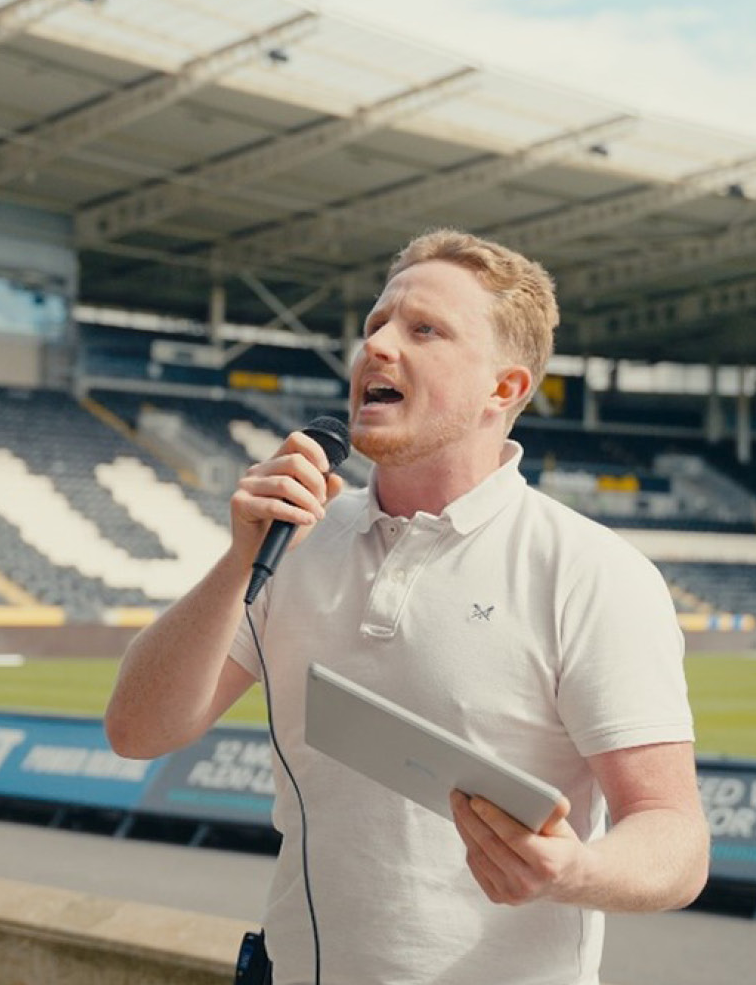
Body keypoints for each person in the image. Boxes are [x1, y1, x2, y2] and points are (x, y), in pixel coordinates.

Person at [104, 229, 708, 985]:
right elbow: (137, 730)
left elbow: (675, 837)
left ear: (505, 389)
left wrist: (572, 869)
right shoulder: (294, 540)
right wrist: (236, 562)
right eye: (374, 326)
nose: (378, 346)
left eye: (424, 330)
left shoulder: (590, 572)